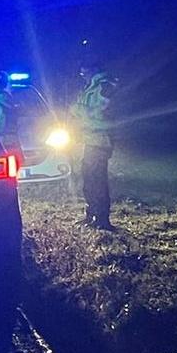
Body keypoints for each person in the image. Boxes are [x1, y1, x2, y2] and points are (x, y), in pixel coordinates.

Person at [71, 63, 119, 230]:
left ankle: (102, 219)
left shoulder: (105, 87)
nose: (82, 75)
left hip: (100, 141)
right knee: (89, 179)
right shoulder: (91, 87)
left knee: (98, 181)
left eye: (84, 71)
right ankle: (91, 215)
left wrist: (77, 109)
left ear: (93, 70)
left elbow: (100, 113)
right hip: (90, 140)